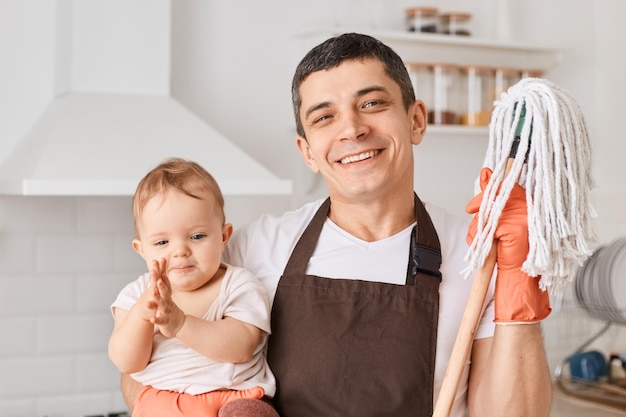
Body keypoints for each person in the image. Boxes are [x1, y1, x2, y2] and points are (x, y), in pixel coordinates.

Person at [121, 33, 553, 417]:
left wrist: (519, 286)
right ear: (307, 151)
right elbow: (143, 369)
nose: (352, 129)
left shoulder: (478, 254)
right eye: (324, 117)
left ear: (416, 120)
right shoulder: (256, 249)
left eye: (372, 103)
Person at [108, 157, 279, 417]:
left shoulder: (239, 284)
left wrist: (180, 324)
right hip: (162, 402)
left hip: (231, 398)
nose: (180, 251)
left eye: (197, 236)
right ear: (141, 250)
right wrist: (141, 316)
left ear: (223, 237)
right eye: (162, 242)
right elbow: (126, 361)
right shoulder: (135, 296)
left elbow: (240, 347)